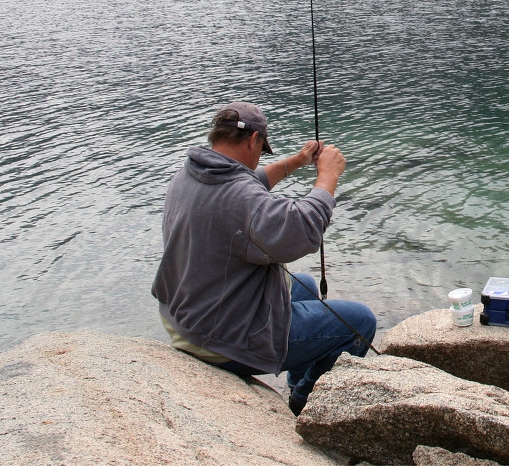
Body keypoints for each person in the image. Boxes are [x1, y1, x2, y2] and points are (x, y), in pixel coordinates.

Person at [152, 101, 377, 415]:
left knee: (306, 285)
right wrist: (327, 178)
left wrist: (296, 162)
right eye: (261, 149)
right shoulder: (239, 197)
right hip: (220, 339)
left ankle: (297, 384)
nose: (259, 158)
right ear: (252, 140)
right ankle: (304, 399)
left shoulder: (192, 173)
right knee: (360, 322)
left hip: (186, 316)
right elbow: (301, 231)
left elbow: (249, 181)